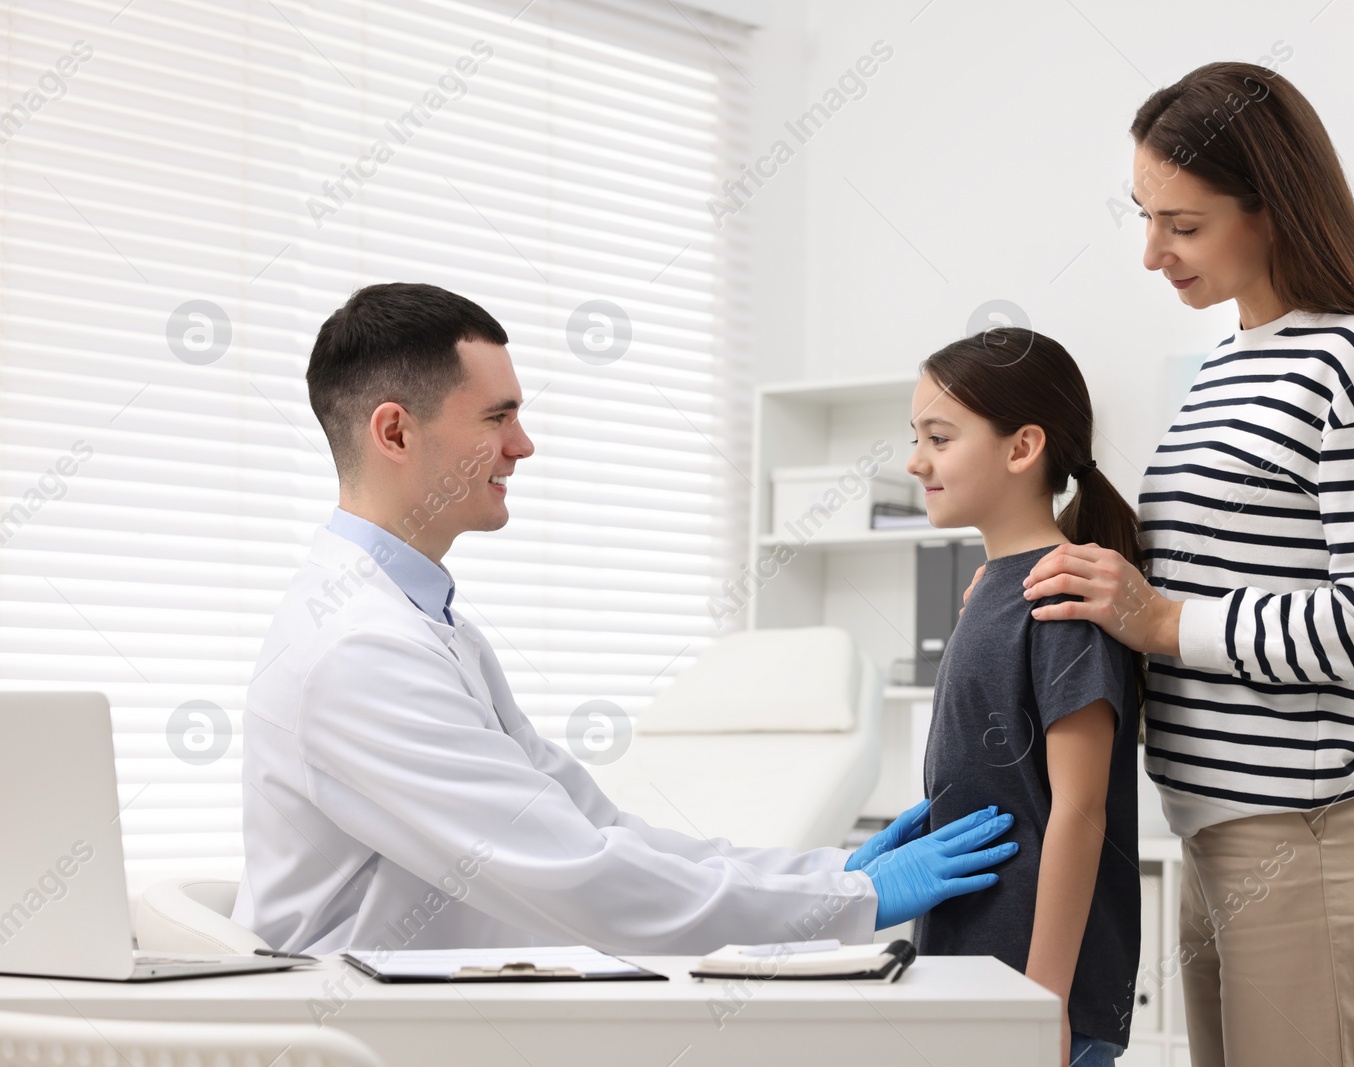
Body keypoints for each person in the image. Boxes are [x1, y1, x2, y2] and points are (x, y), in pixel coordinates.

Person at [232, 281, 1018, 954]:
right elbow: (580, 875)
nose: (524, 445)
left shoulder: (423, 623)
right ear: (395, 431)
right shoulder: (358, 650)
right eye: (496, 418)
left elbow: (595, 825)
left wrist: (830, 876)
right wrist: (852, 901)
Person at [1004, 63, 1354, 1067]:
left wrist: (1161, 621)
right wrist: (1028, 573)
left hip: (1309, 836)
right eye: (1142, 215)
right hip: (1223, 830)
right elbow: (1199, 561)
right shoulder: (1230, 362)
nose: (1149, 253)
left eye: (1181, 222)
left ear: (1272, 209)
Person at [908, 328, 1142, 1067]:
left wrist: (1040, 1004)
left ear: (1022, 447)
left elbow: (1080, 807)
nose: (916, 461)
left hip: (1037, 996)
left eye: (939, 438)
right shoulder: (994, 589)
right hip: (974, 978)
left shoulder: (1059, 594)